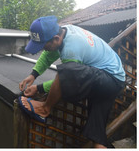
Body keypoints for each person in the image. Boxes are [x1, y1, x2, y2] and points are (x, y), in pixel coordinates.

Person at [17, 16, 125, 148]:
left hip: (108, 79)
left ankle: (45, 109)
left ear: (56, 38)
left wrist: (39, 88)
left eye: (43, 46)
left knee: (67, 70)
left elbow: (67, 78)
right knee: (97, 136)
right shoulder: (65, 30)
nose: (42, 49)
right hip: (114, 79)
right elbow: (49, 54)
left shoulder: (71, 49)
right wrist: (33, 75)